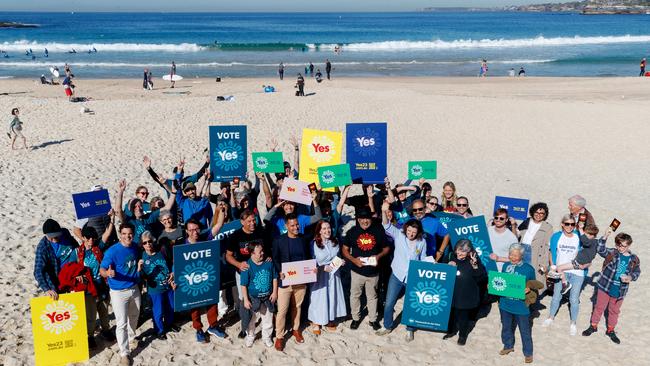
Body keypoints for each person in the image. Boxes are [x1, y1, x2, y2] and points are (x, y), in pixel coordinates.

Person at [376, 201, 426, 342]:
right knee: (389, 302)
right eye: (409, 231)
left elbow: (422, 259)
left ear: (418, 233)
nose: (410, 234)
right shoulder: (399, 235)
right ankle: (387, 325)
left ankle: (410, 329)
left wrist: (430, 264)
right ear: (406, 229)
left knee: (410, 305)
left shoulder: (422, 242)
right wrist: (384, 211)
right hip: (397, 275)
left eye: (414, 232)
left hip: (412, 277)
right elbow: (386, 225)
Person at [582, 232, 641, 344]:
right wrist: (605, 236)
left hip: (620, 290)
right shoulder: (613, 253)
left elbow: (637, 272)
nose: (620, 248)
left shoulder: (634, 259)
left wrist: (630, 277)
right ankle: (593, 326)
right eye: (618, 245)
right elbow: (600, 249)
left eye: (623, 246)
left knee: (614, 311)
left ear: (629, 245)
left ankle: (610, 330)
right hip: (605, 286)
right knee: (599, 307)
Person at [99, 223, 142, 366]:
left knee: (134, 316)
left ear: (133, 234)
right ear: (120, 234)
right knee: (121, 323)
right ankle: (125, 353)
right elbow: (102, 270)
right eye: (124, 233)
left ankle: (131, 337)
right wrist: (108, 273)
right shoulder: (112, 251)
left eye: (129, 233)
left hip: (134, 288)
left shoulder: (136, 247)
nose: (127, 236)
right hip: (118, 292)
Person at [224, 209, 270, 339]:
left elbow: (267, 251)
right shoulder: (235, 236)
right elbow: (228, 256)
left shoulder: (262, 232)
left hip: (260, 273)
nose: (252, 223)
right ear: (242, 222)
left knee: (261, 297)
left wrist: (267, 257)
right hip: (243, 273)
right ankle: (245, 328)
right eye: (249, 221)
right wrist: (239, 264)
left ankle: (261, 322)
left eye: (254, 220)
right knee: (245, 301)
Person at [342, 207, 389, 331]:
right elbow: (344, 249)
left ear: (371, 218)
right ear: (358, 219)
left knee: (372, 296)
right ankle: (356, 318)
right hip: (357, 271)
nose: (364, 221)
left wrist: (378, 257)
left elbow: (386, 248)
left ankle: (373, 320)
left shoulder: (378, 230)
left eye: (367, 218)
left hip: (373, 272)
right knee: (355, 295)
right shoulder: (352, 232)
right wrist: (353, 260)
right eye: (361, 218)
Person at [182, 219, 227, 343]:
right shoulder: (183, 246)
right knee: (194, 305)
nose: (194, 232)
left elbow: (219, 225)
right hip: (192, 280)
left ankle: (213, 325)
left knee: (212, 301)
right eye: (191, 230)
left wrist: (221, 208)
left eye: (196, 229)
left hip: (207, 276)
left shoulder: (204, 238)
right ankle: (198, 329)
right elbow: (178, 265)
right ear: (187, 231)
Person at [75, 215, 116, 347]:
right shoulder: (78, 252)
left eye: (93, 238)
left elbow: (107, 233)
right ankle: (90, 336)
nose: (92, 240)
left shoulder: (98, 248)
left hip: (101, 284)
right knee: (91, 315)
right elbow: (72, 268)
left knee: (104, 311)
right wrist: (76, 276)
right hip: (88, 288)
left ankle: (106, 330)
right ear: (84, 238)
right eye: (89, 238)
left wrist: (112, 219)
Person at [272, 214, 310, 351]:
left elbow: (309, 258)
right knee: (282, 311)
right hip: (285, 281)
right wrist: (279, 272)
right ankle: (279, 336)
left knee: (297, 307)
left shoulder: (304, 239)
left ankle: (295, 329)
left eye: (297, 224)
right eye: (292, 225)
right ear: (286, 226)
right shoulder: (279, 241)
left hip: (300, 281)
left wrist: (312, 270)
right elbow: (275, 259)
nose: (296, 227)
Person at [543, 215, 584, 335]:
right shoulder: (556, 236)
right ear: (562, 224)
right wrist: (552, 266)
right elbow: (552, 252)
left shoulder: (578, 236)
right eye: (567, 224)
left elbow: (587, 249)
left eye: (572, 224)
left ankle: (573, 323)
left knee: (574, 299)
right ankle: (551, 317)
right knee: (556, 296)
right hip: (561, 272)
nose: (570, 227)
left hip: (577, 272)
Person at [498, 243, 536, 364]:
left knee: (525, 330)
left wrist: (529, 289)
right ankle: (508, 345)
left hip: (521, 306)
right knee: (506, 327)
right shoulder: (505, 266)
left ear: (522, 255)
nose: (512, 257)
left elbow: (534, 286)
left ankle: (528, 353)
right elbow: (501, 282)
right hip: (505, 303)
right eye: (511, 254)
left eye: (516, 255)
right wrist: (493, 285)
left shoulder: (528, 269)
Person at [445, 239, 486, 345]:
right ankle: (451, 331)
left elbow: (481, 278)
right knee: (451, 315)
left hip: (466, 296)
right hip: (452, 294)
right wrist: (447, 265)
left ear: (468, 252)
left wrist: (475, 266)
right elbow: (442, 272)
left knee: (463, 318)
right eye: (458, 250)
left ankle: (462, 336)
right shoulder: (451, 257)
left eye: (463, 252)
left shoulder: (474, 261)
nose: (459, 253)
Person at [308, 220, 347, 335]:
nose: (327, 231)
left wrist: (341, 261)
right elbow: (311, 262)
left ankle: (329, 319)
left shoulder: (334, 241)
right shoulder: (314, 244)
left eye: (328, 228)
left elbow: (337, 256)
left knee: (332, 296)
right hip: (320, 275)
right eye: (324, 229)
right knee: (318, 297)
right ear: (319, 231)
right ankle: (315, 321)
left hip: (334, 274)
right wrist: (321, 267)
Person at [240, 241, 278, 347]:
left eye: (262, 251)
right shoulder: (247, 266)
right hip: (253, 299)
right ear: (252, 253)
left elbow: (275, 277)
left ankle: (267, 337)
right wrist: (246, 300)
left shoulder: (268, 263)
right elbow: (243, 285)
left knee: (268, 320)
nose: (262, 253)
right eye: (259, 252)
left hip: (267, 298)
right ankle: (250, 336)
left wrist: (275, 292)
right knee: (251, 320)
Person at [139, 231, 176, 340]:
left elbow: (171, 263)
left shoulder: (162, 251)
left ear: (153, 241)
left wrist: (173, 273)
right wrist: (140, 269)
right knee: (158, 311)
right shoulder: (142, 257)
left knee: (171, 307)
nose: (148, 244)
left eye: (149, 241)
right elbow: (141, 277)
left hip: (168, 285)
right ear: (142, 244)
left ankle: (169, 325)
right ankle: (159, 331)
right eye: (145, 243)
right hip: (155, 289)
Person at [34, 219, 79, 300]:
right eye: (52, 237)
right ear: (46, 235)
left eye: (57, 236)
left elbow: (76, 247)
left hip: (74, 276)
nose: (55, 239)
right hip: (57, 281)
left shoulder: (65, 234)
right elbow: (38, 271)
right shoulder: (42, 247)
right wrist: (47, 289)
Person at [549, 224, 600, 295]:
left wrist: (581, 229)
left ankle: (565, 283)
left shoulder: (591, 242)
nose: (584, 235)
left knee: (559, 268)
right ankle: (561, 281)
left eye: (586, 234)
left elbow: (585, 241)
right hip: (578, 262)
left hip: (578, 263)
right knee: (560, 268)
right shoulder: (596, 242)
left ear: (592, 235)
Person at [514, 202, 553, 283]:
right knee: (518, 272)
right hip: (521, 249)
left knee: (530, 275)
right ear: (532, 212)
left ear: (545, 215)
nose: (539, 215)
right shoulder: (526, 221)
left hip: (534, 253)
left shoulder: (548, 227)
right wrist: (513, 225)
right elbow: (517, 235)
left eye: (542, 213)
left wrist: (544, 263)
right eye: (536, 212)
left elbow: (547, 246)